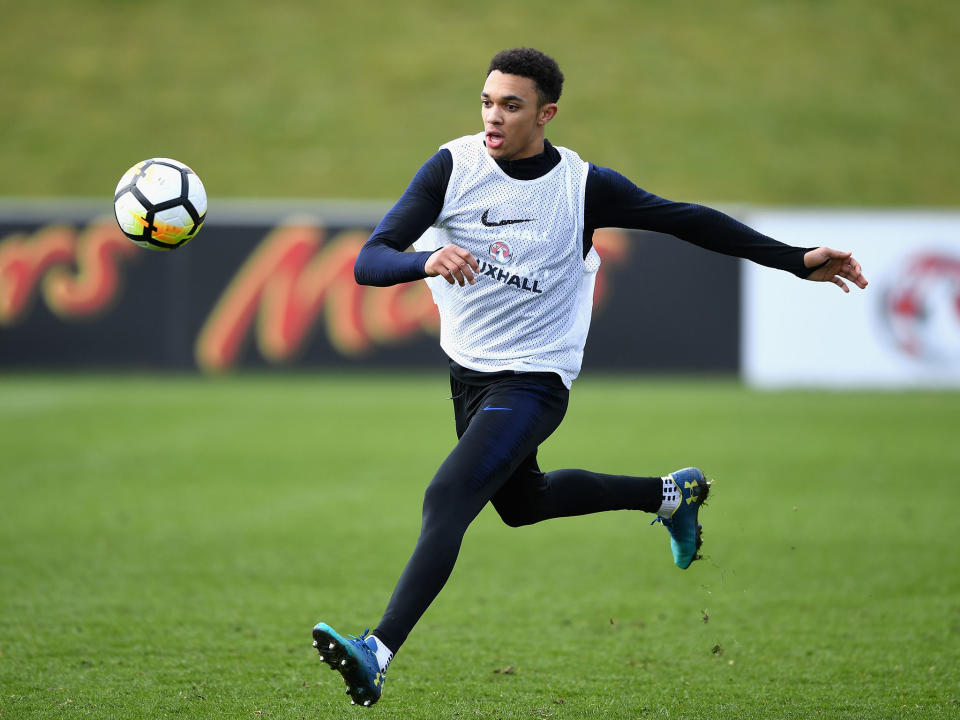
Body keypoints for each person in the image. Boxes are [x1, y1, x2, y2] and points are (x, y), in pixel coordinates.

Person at [312, 47, 868, 707]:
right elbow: (370, 260)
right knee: (521, 506)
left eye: (512, 105)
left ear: (546, 114)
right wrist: (425, 260)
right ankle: (671, 496)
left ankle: (375, 652)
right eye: (488, 101)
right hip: (470, 377)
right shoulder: (451, 168)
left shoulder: (581, 187)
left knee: (448, 496)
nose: (494, 116)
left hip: (535, 380)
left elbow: (686, 220)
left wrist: (796, 259)